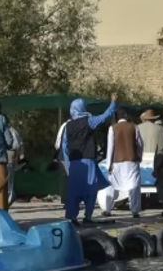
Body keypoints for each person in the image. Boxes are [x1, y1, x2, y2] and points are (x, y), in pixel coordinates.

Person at [60, 95, 117, 224]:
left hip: (74, 164)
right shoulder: (89, 121)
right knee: (90, 190)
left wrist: (68, 164)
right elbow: (105, 116)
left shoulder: (67, 126)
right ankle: (87, 217)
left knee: (73, 192)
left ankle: (71, 217)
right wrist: (113, 102)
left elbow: (64, 146)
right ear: (83, 108)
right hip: (88, 161)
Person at [101, 108, 143, 218]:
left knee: (112, 185)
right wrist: (139, 157)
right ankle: (135, 210)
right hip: (131, 161)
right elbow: (140, 144)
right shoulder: (135, 127)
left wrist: (109, 165)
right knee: (134, 187)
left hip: (117, 162)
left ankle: (107, 209)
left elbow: (110, 148)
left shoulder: (113, 128)